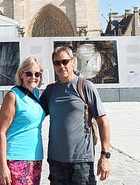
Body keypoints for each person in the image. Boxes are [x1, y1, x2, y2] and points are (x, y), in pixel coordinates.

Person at [39, 46, 111, 184]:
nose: (61, 66)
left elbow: (103, 122)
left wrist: (105, 156)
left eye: (65, 61)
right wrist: (5, 127)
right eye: (57, 62)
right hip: (56, 162)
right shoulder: (50, 91)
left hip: (81, 162)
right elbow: (33, 115)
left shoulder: (85, 86)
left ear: (72, 62)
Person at [0, 57, 46, 185]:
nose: (33, 77)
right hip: (16, 158)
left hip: (35, 157)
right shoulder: (13, 96)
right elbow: (1, 132)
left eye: (37, 74)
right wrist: (3, 167)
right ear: (21, 74)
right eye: (29, 73)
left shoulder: (36, 94)